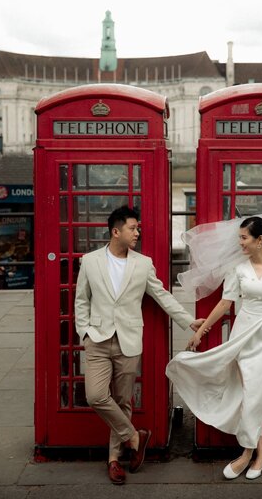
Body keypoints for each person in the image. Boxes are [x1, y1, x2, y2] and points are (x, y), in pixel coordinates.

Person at [74, 205, 204, 485]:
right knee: (96, 396)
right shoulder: (90, 261)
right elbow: (81, 299)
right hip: (97, 338)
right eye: (133, 228)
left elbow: (162, 295)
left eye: (138, 228)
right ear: (116, 231)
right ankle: (135, 437)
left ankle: (113, 459)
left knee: (123, 401)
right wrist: (83, 330)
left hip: (129, 340)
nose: (137, 232)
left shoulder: (142, 263)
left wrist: (188, 321)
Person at [166, 214, 262, 481]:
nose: (239, 243)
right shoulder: (239, 269)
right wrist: (200, 331)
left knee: (256, 395)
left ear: (260, 240)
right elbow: (225, 304)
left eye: (243, 238)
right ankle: (261, 453)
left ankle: (247, 454)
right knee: (249, 395)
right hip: (244, 335)